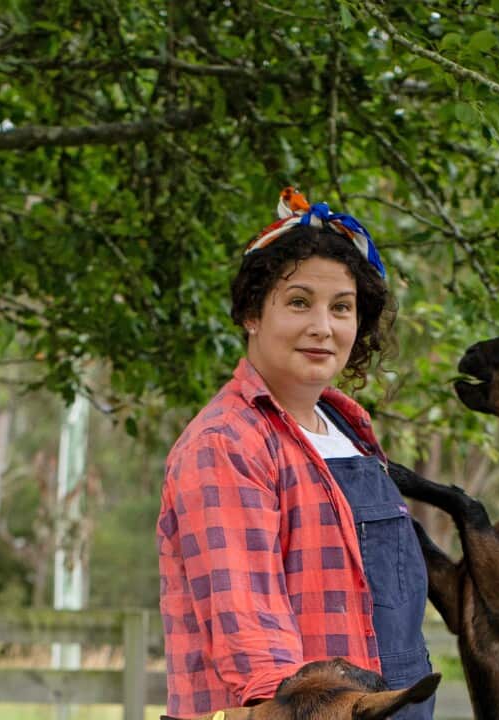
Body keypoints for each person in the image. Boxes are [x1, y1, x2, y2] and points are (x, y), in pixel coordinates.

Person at [157, 188, 433, 719]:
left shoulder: (349, 430)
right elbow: (252, 638)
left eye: (342, 308)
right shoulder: (227, 443)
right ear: (251, 314)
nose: (322, 327)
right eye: (299, 302)